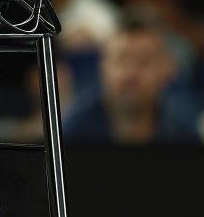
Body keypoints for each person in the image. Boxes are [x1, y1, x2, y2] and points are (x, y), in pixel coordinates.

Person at [62, 11, 201, 145]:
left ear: (168, 69)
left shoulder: (185, 138)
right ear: (102, 65)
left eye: (144, 61)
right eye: (121, 60)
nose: (130, 73)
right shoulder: (68, 136)